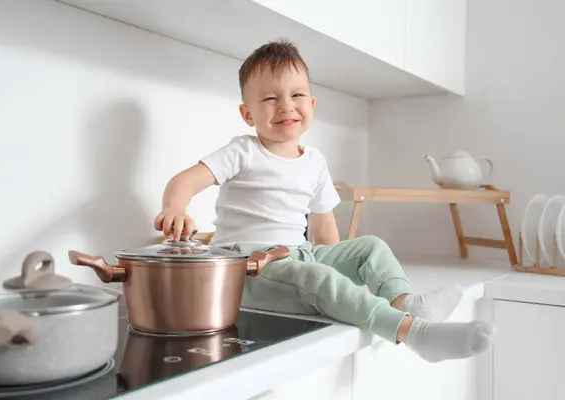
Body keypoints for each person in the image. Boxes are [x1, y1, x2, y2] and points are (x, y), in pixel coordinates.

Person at [153, 39, 495, 363]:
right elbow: (183, 182)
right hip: (248, 267)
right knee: (316, 277)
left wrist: (336, 269)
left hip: (296, 254)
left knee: (370, 247)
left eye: (297, 94)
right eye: (270, 99)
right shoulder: (242, 151)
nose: (286, 105)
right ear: (248, 114)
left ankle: (406, 304)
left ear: (312, 105)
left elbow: (324, 227)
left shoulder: (315, 161)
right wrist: (175, 208)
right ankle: (415, 334)